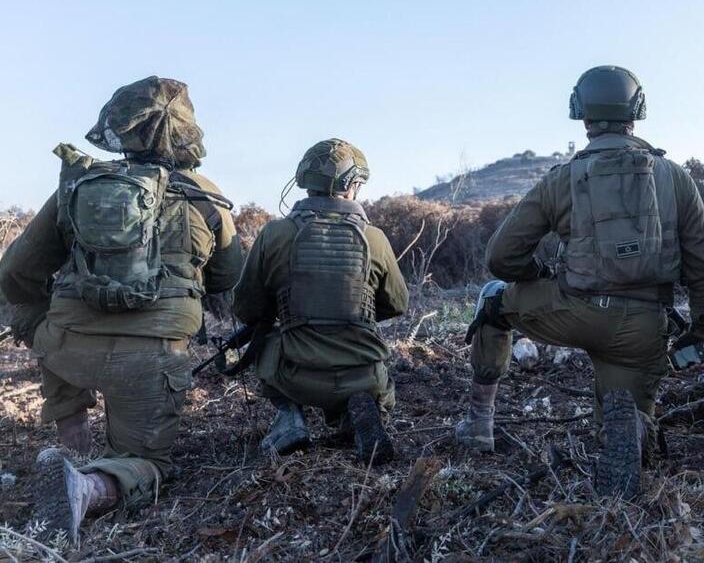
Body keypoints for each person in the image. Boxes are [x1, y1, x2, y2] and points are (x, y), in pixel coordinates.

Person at [455, 65, 704, 498]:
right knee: (628, 414)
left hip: (571, 310)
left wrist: (540, 275)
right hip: (643, 326)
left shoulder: (560, 178)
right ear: (636, 112)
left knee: (493, 299)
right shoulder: (675, 176)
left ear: (581, 116)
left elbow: (500, 258)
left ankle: (478, 423)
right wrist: (703, 331)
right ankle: (631, 428)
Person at [0, 77, 242, 544]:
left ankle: (72, 442)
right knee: (148, 462)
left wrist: (35, 320)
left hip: (65, 347)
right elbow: (229, 280)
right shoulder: (207, 197)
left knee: (50, 329)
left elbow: (13, 271)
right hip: (149, 357)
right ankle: (87, 488)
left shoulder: (81, 184)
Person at [232, 139, 408, 464]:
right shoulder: (375, 238)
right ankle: (351, 415)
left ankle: (290, 418)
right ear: (353, 185)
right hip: (364, 377)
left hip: (298, 377)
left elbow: (246, 309)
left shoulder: (274, 234)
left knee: (267, 340)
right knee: (369, 373)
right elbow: (397, 303)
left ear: (304, 181)